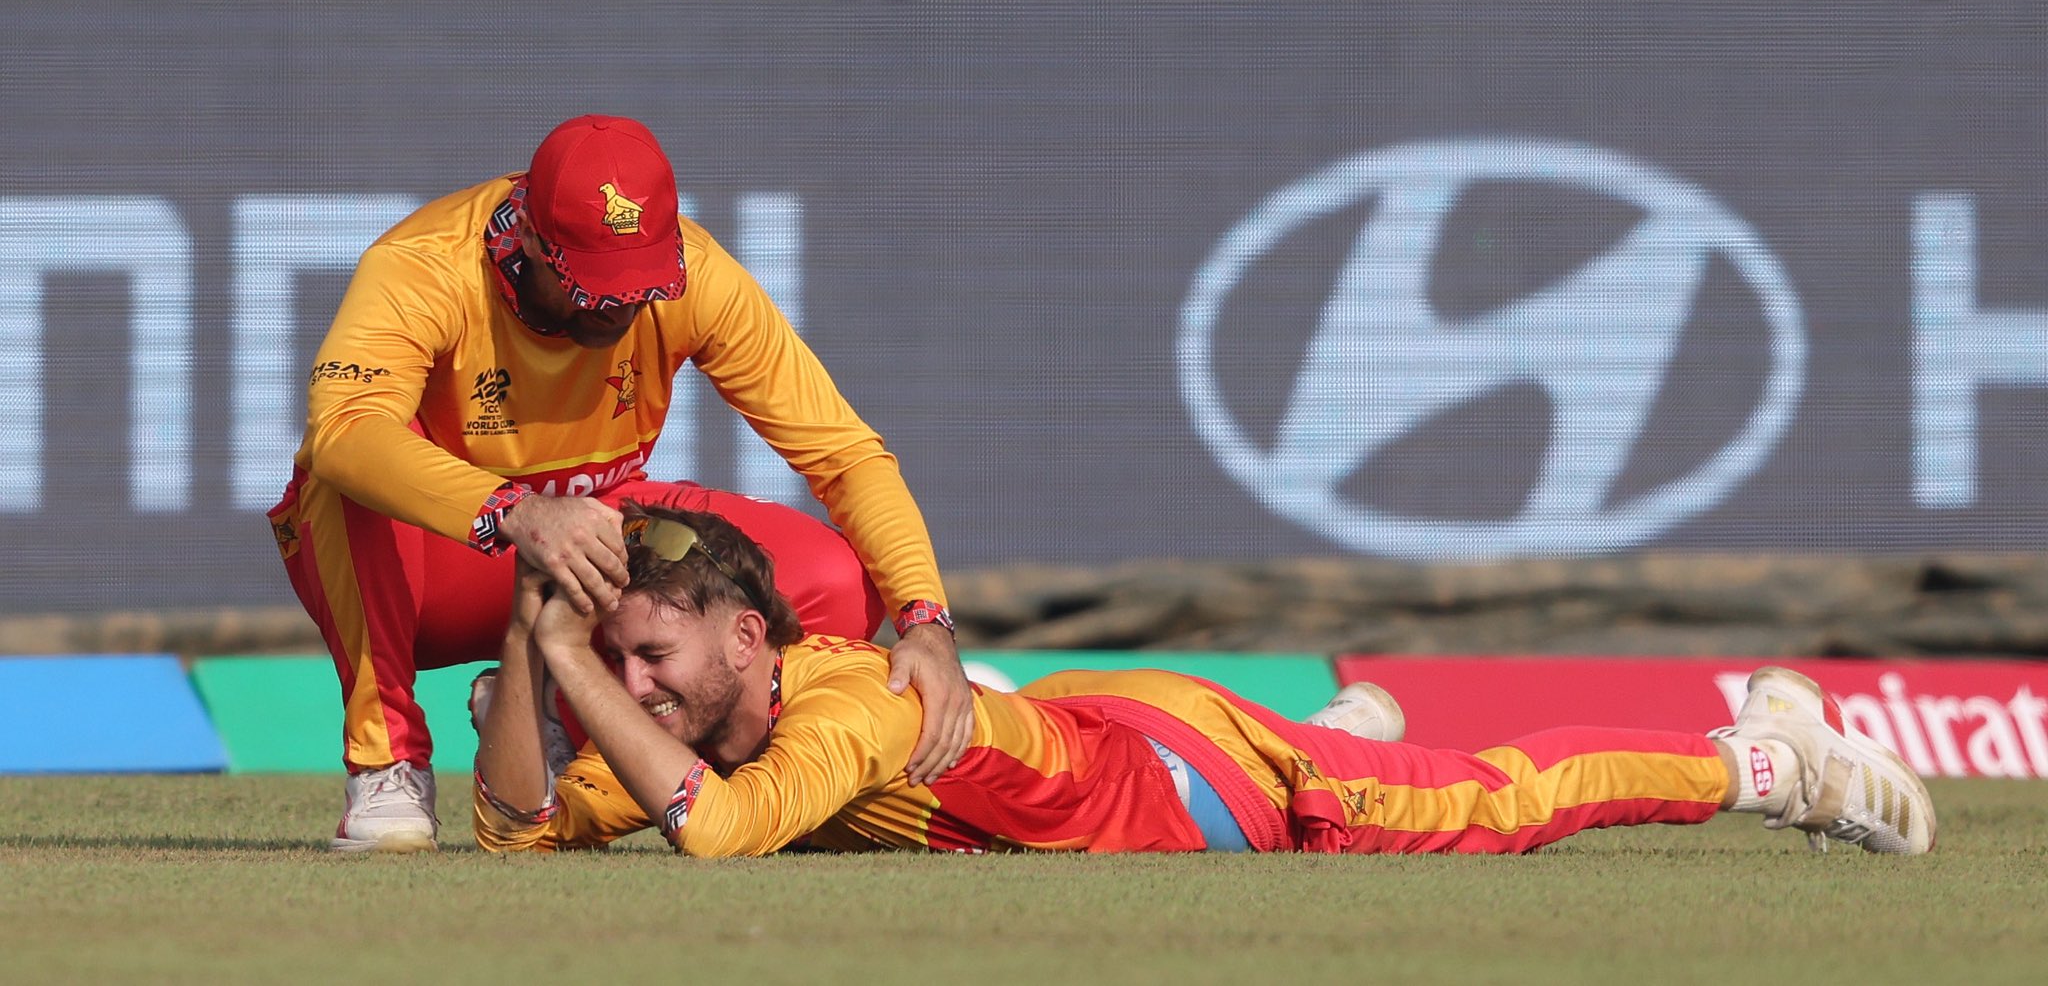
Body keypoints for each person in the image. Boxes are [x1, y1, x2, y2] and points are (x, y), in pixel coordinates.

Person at [473, 503, 1936, 858]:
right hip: (1100, 715)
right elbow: (515, 826)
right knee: (1399, 765)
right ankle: (1350, 721)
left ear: (747, 641)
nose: (631, 686)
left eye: (642, 655)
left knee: (1497, 803)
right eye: (617, 661)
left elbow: (717, 836)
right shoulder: (702, 712)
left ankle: (1769, 754)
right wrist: (540, 657)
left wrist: (551, 656)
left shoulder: (841, 704)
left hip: (1201, 782)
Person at [269, 112, 971, 853]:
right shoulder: (423, 264)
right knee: (340, 471)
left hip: (598, 550)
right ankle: (390, 765)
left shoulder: (698, 273)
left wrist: (925, 620)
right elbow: (342, 431)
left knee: (831, 578)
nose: (624, 308)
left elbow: (844, 453)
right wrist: (513, 510)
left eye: (642, 288)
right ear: (533, 241)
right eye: (596, 289)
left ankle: (583, 740)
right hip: (435, 565)